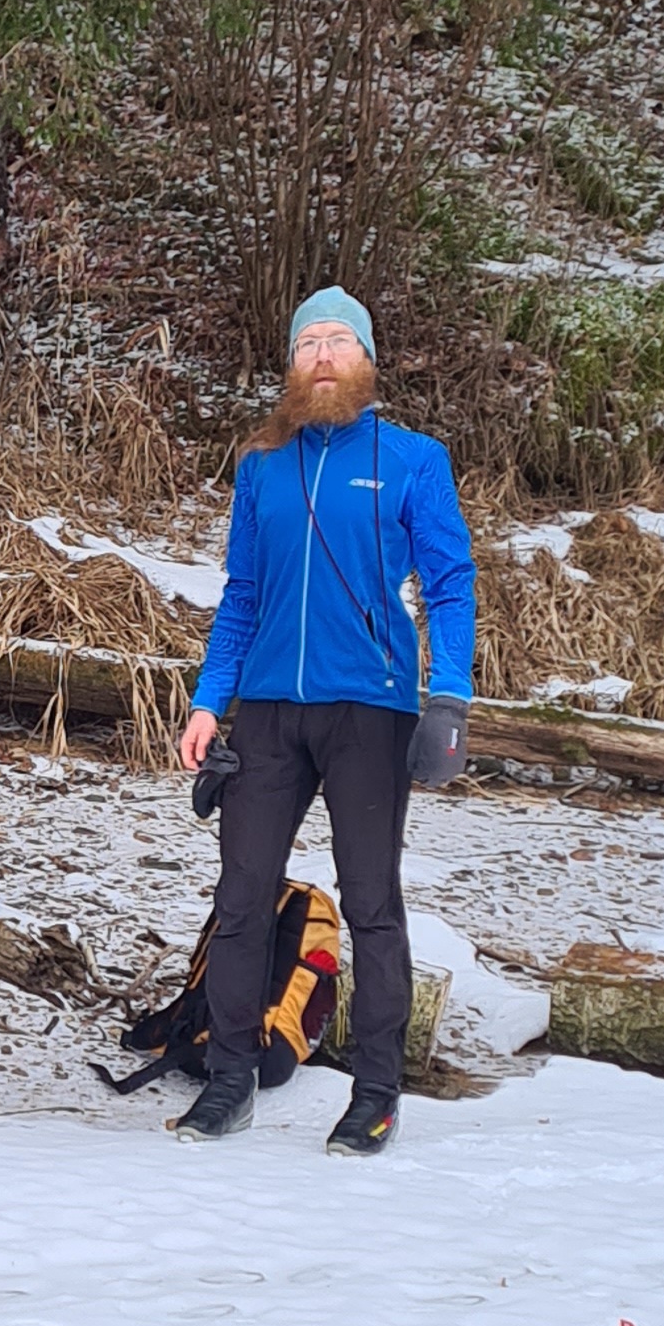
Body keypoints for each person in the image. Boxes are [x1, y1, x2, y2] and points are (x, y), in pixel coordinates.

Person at [174, 285, 474, 1156]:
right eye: (309, 343)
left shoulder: (413, 459)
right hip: (268, 712)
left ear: (367, 359)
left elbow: (450, 584)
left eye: (341, 340)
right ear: (292, 364)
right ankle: (230, 1079)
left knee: (371, 903)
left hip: (370, 710)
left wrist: (448, 698)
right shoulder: (262, 466)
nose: (324, 355)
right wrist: (209, 701)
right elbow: (243, 594)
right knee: (240, 898)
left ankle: (375, 1094)